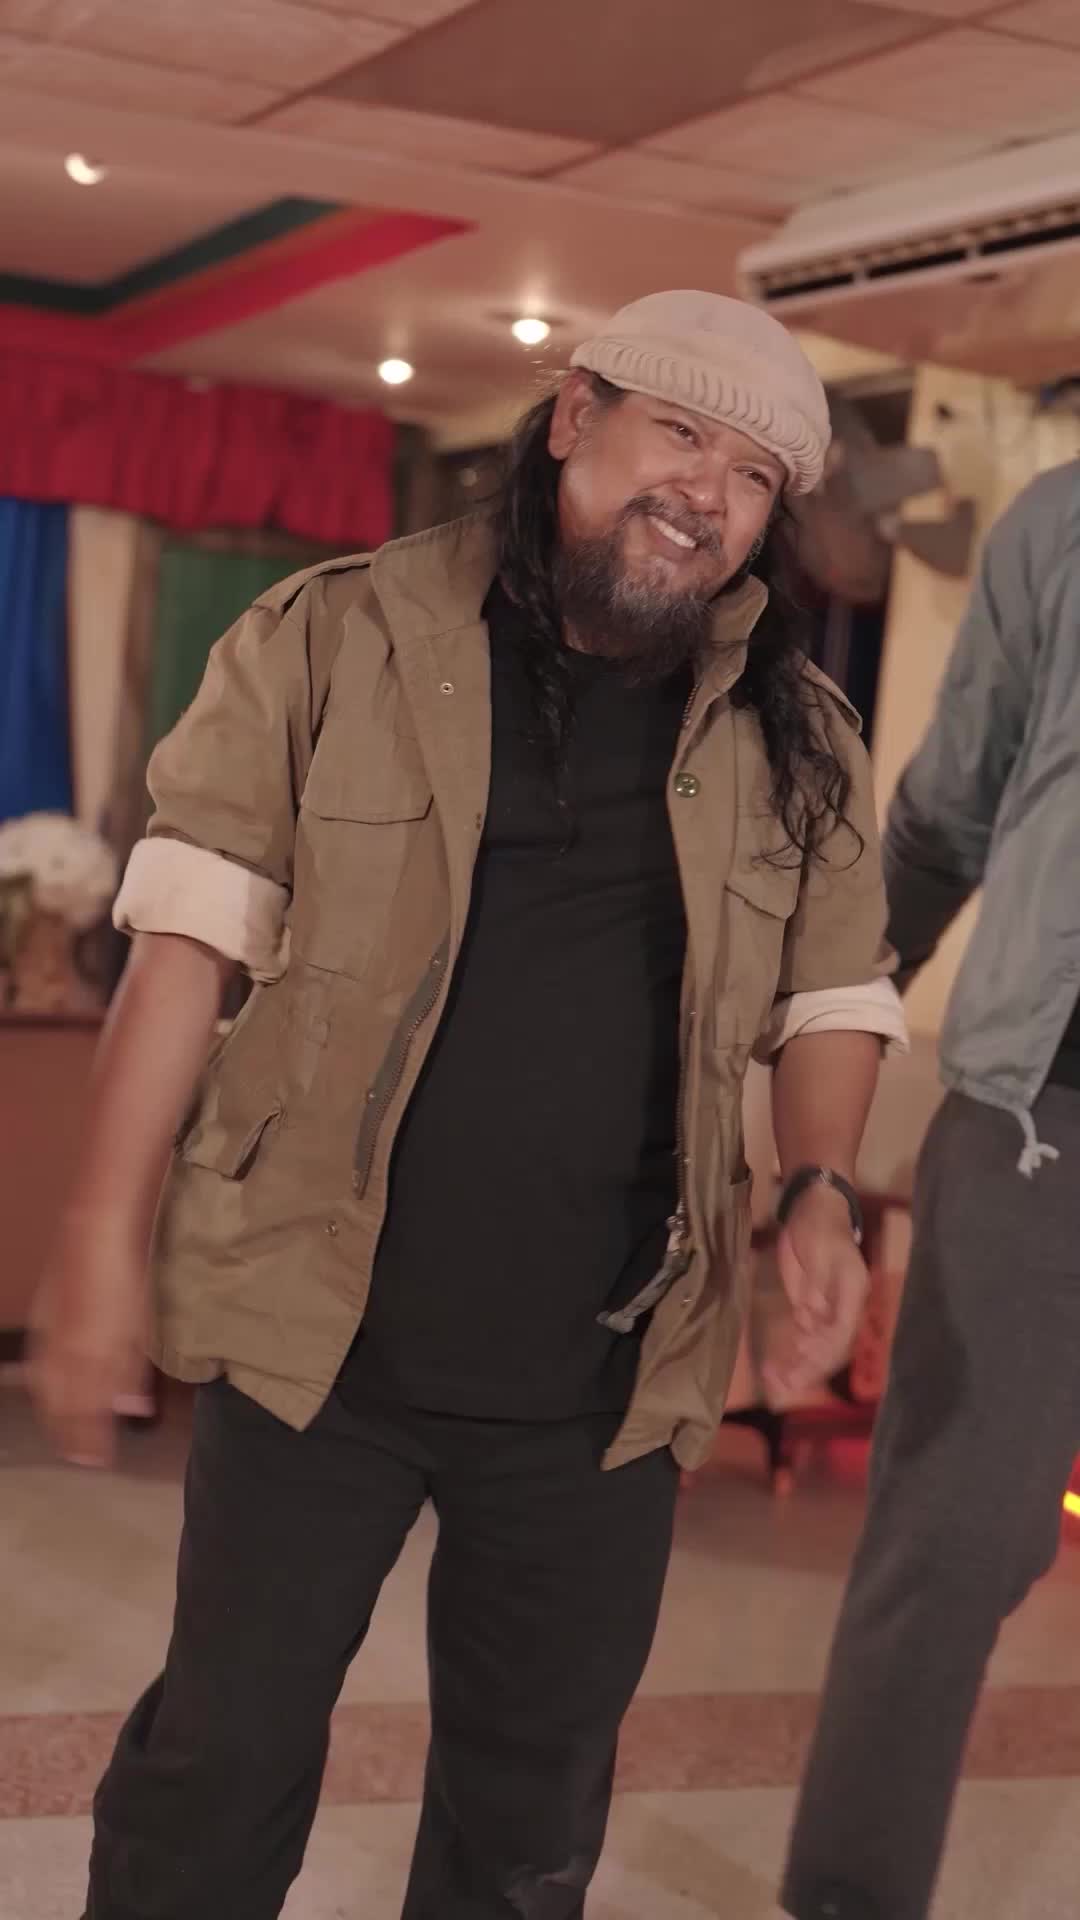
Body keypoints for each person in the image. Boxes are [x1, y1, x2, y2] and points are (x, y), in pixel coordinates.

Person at [33, 290, 904, 1920]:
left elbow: (833, 1001)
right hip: (317, 1339)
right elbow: (185, 942)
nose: (708, 495)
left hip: (606, 1377)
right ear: (573, 418)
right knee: (216, 1777)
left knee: (527, 1826)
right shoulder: (329, 637)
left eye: (754, 478)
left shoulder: (800, 735)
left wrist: (819, 1189)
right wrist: (94, 1241)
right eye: (680, 434)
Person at [782, 458, 1080, 1920]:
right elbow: (949, 810)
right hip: (1044, 1110)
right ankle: (851, 1898)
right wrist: (816, 1016)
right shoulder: (1063, 523)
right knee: (956, 1536)